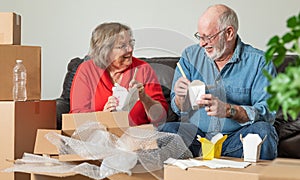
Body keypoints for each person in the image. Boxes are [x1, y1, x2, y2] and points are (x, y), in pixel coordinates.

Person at [158, 4, 278, 160]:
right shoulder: (190, 55)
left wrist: (229, 110)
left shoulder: (260, 62)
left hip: (236, 140)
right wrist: (181, 98)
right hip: (197, 139)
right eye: (199, 36)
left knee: (264, 132)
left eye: (207, 37)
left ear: (229, 33)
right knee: (166, 131)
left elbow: (268, 113)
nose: (201, 43)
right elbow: (177, 107)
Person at [70, 22, 168, 126]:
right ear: (104, 50)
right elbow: (77, 117)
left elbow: (161, 118)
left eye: (131, 43)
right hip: (98, 135)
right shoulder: (87, 70)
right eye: (122, 46)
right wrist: (104, 116)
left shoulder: (143, 69)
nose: (130, 49)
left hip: (137, 135)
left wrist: (145, 98)